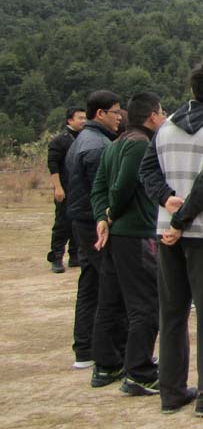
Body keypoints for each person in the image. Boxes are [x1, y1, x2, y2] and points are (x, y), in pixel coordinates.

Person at [139, 61, 203, 416]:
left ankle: (171, 392)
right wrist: (182, 220)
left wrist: (166, 199)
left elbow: (146, 170)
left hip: (167, 232)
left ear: (192, 89)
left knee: (172, 312)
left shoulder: (165, 126)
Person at [89, 92, 166, 395]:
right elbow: (122, 187)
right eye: (161, 113)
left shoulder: (115, 144)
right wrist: (109, 215)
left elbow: (98, 187)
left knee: (112, 301)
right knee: (146, 304)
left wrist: (103, 217)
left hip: (116, 235)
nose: (164, 118)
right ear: (152, 116)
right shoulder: (139, 145)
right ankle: (140, 372)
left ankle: (107, 364)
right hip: (135, 235)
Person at [65, 90, 125, 370]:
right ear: (100, 113)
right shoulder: (99, 146)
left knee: (89, 284)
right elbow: (104, 191)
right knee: (110, 286)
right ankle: (111, 353)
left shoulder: (81, 140)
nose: (119, 118)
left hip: (82, 220)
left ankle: (84, 348)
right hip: (95, 223)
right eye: (115, 112)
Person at [46, 106, 85, 273]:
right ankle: (56, 256)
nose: (83, 121)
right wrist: (58, 187)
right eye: (80, 118)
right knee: (63, 223)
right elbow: (53, 165)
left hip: (80, 190)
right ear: (70, 120)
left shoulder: (85, 138)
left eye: (85, 118)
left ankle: (74, 256)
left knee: (78, 223)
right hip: (65, 188)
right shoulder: (60, 140)